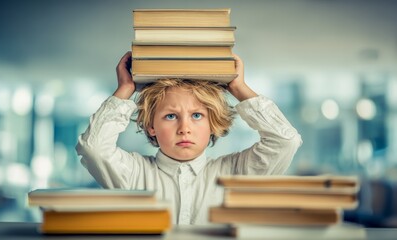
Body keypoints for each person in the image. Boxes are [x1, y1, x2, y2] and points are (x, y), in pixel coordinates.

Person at [76, 51, 302, 225]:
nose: (184, 128)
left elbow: (285, 141)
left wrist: (238, 87)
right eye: (171, 115)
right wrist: (125, 89)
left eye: (197, 115)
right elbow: (93, 148)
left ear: (212, 124)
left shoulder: (235, 173)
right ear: (151, 126)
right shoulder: (134, 173)